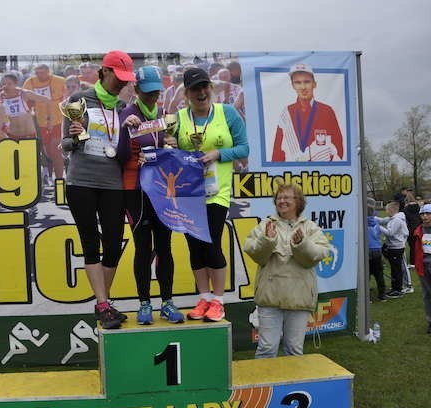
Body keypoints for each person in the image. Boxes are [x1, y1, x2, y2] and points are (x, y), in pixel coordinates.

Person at [61, 50, 136, 329]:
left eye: (126, 79)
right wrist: (75, 138)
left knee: (114, 244)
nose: (122, 83)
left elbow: (126, 148)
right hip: (81, 181)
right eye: (118, 77)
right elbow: (65, 146)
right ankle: (104, 305)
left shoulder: (123, 107)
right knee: (91, 243)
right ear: (104, 72)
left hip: (113, 183)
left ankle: (102, 302)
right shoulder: (79, 100)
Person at [169, 67, 249, 322]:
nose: (201, 92)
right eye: (195, 89)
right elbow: (171, 152)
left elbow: (244, 147)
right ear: (186, 93)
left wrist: (218, 154)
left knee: (211, 243)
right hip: (189, 193)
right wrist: (171, 146)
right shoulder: (179, 117)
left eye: (205, 87)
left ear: (211, 88)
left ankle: (219, 301)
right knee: (195, 247)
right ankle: (203, 298)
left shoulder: (227, 113)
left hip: (217, 192)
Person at [117, 65, 184, 325]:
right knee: (143, 249)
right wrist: (124, 130)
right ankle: (144, 303)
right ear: (136, 90)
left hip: (162, 190)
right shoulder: (127, 114)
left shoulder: (164, 115)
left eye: (156, 92)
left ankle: (167, 302)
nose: (153, 97)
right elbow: (121, 157)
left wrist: (171, 146)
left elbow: (172, 155)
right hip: (135, 191)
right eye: (148, 93)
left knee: (165, 247)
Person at [244, 183, 330, 358]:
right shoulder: (265, 225)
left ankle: (292, 386)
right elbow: (252, 251)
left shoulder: (310, 228)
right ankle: (264, 385)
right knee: (267, 348)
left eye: (286, 197)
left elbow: (320, 253)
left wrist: (302, 244)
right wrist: (267, 241)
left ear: (298, 201)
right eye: (278, 198)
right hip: (270, 297)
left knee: (294, 349)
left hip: (299, 297)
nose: (281, 201)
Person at [271, 63, 343, 162]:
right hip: (293, 175)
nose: (303, 87)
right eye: (298, 82)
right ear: (293, 85)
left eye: (307, 82)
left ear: (314, 84)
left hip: (322, 175)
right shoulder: (286, 113)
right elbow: (277, 153)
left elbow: (338, 148)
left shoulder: (327, 111)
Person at [23, 64, 67, 179]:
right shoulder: (30, 82)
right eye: (37, 73)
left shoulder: (60, 81)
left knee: (55, 150)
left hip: (58, 121)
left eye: (42, 72)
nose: (39, 75)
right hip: (41, 122)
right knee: (47, 151)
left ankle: (59, 178)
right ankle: (48, 176)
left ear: (48, 71)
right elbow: (25, 99)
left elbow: (68, 97)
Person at [0, 71, 49, 140]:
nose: (6, 86)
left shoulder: (25, 94)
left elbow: (46, 100)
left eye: (9, 84)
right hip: (13, 135)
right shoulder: (0, 98)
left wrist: (48, 118)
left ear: (15, 84)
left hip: (29, 135)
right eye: (3, 84)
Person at [378, 201, 409, 298]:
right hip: (392, 247)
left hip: (396, 247)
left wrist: (378, 227)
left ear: (392, 210)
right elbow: (382, 220)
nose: (386, 211)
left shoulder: (397, 220)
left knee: (396, 269)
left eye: (387, 209)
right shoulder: (392, 218)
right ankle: (395, 287)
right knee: (394, 269)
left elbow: (390, 233)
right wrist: (372, 219)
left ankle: (397, 290)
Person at [411, 203, 431, 333]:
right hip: (423, 267)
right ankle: (430, 322)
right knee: (427, 295)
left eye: (428, 214)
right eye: (422, 214)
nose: (424, 217)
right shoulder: (418, 230)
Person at [367, 197, 386, 301]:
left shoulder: (362, 224)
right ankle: (382, 294)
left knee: (366, 275)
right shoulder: (376, 224)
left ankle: (367, 296)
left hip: (368, 251)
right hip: (377, 250)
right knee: (379, 274)